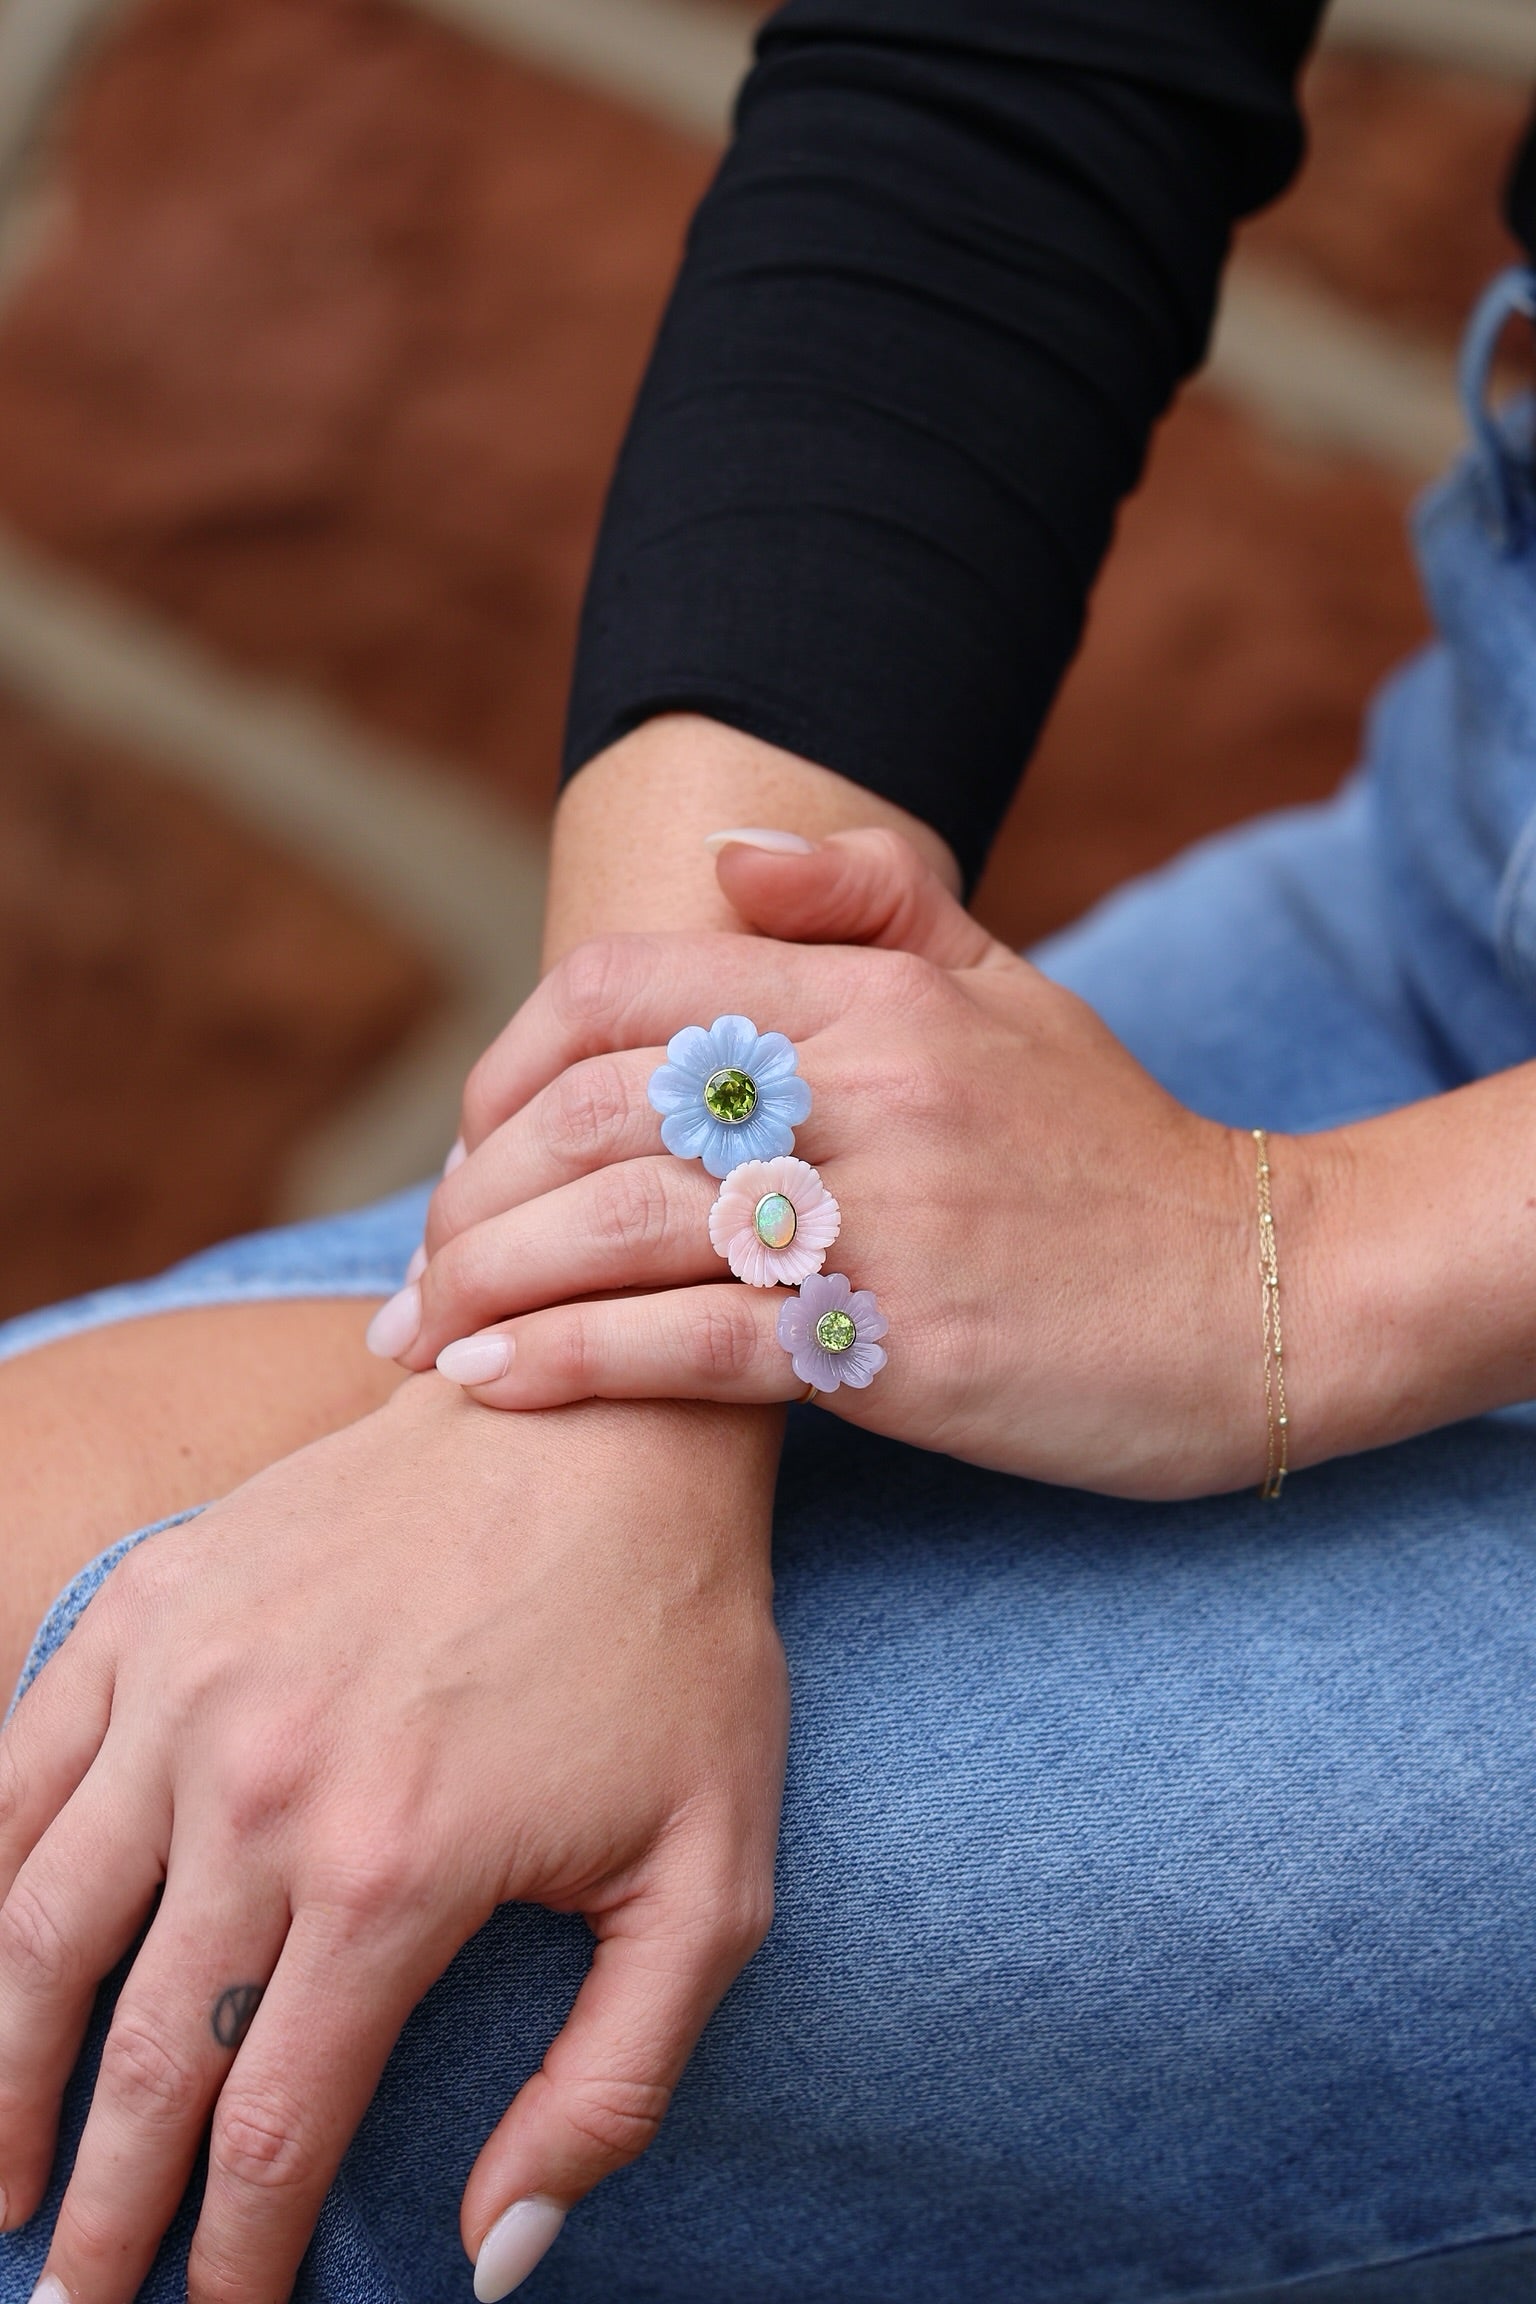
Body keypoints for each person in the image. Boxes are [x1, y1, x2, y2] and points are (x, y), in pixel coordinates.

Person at [4, 2, 1536, 2299]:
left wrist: (1306, 1258)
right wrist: (621, 1418)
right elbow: (1008, 79)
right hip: (1465, 900)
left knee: (304, 1987)